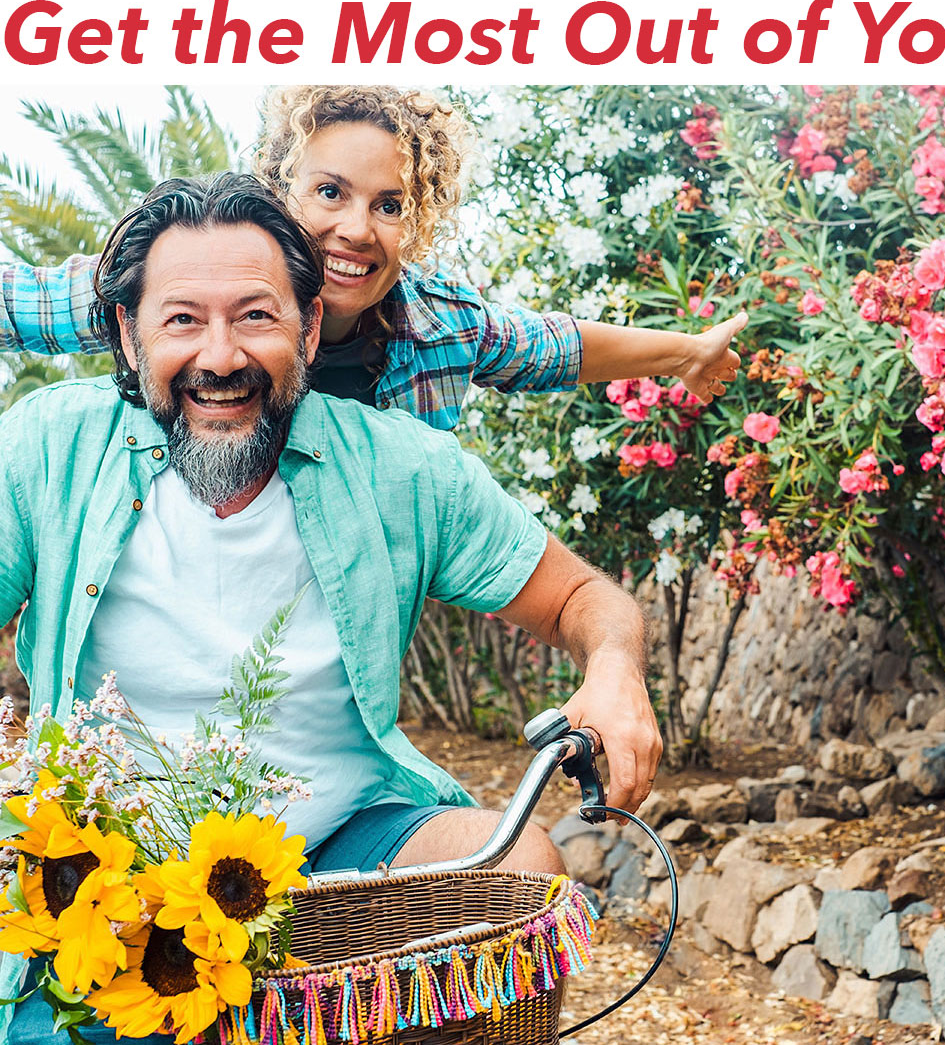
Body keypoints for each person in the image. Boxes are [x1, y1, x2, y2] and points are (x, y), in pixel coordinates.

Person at [0, 173, 660, 1045]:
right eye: (183, 319)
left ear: (309, 327)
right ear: (129, 333)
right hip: (108, 872)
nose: (222, 356)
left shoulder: (398, 467)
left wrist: (613, 672)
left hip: (343, 849)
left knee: (518, 870)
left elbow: (584, 595)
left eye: (257, 316)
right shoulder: (51, 445)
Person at [0, 84, 743, 430]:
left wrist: (685, 354)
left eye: (390, 205)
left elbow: (551, 347)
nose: (358, 228)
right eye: (330, 192)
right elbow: (17, 304)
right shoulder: (189, 276)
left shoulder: (440, 328)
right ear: (278, 187)